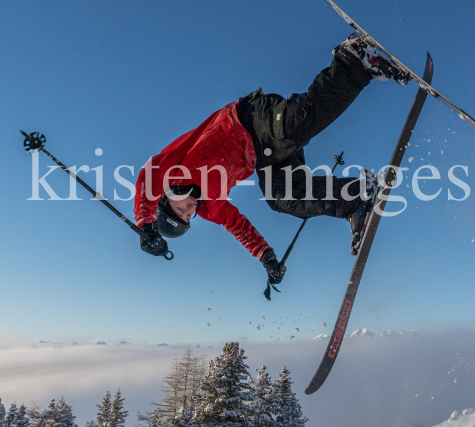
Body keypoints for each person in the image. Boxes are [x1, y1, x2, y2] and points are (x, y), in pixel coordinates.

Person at [133, 34, 410, 286]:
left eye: (179, 210)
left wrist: (144, 224)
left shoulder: (172, 172)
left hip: (248, 121)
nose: (189, 211)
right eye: (188, 218)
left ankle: (353, 58)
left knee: (296, 126)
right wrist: (267, 258)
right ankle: (357, 197)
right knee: (282, 196)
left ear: (166, 200)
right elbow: (239, 227)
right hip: (263, 155)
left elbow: (147, 179)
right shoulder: (210, 207)